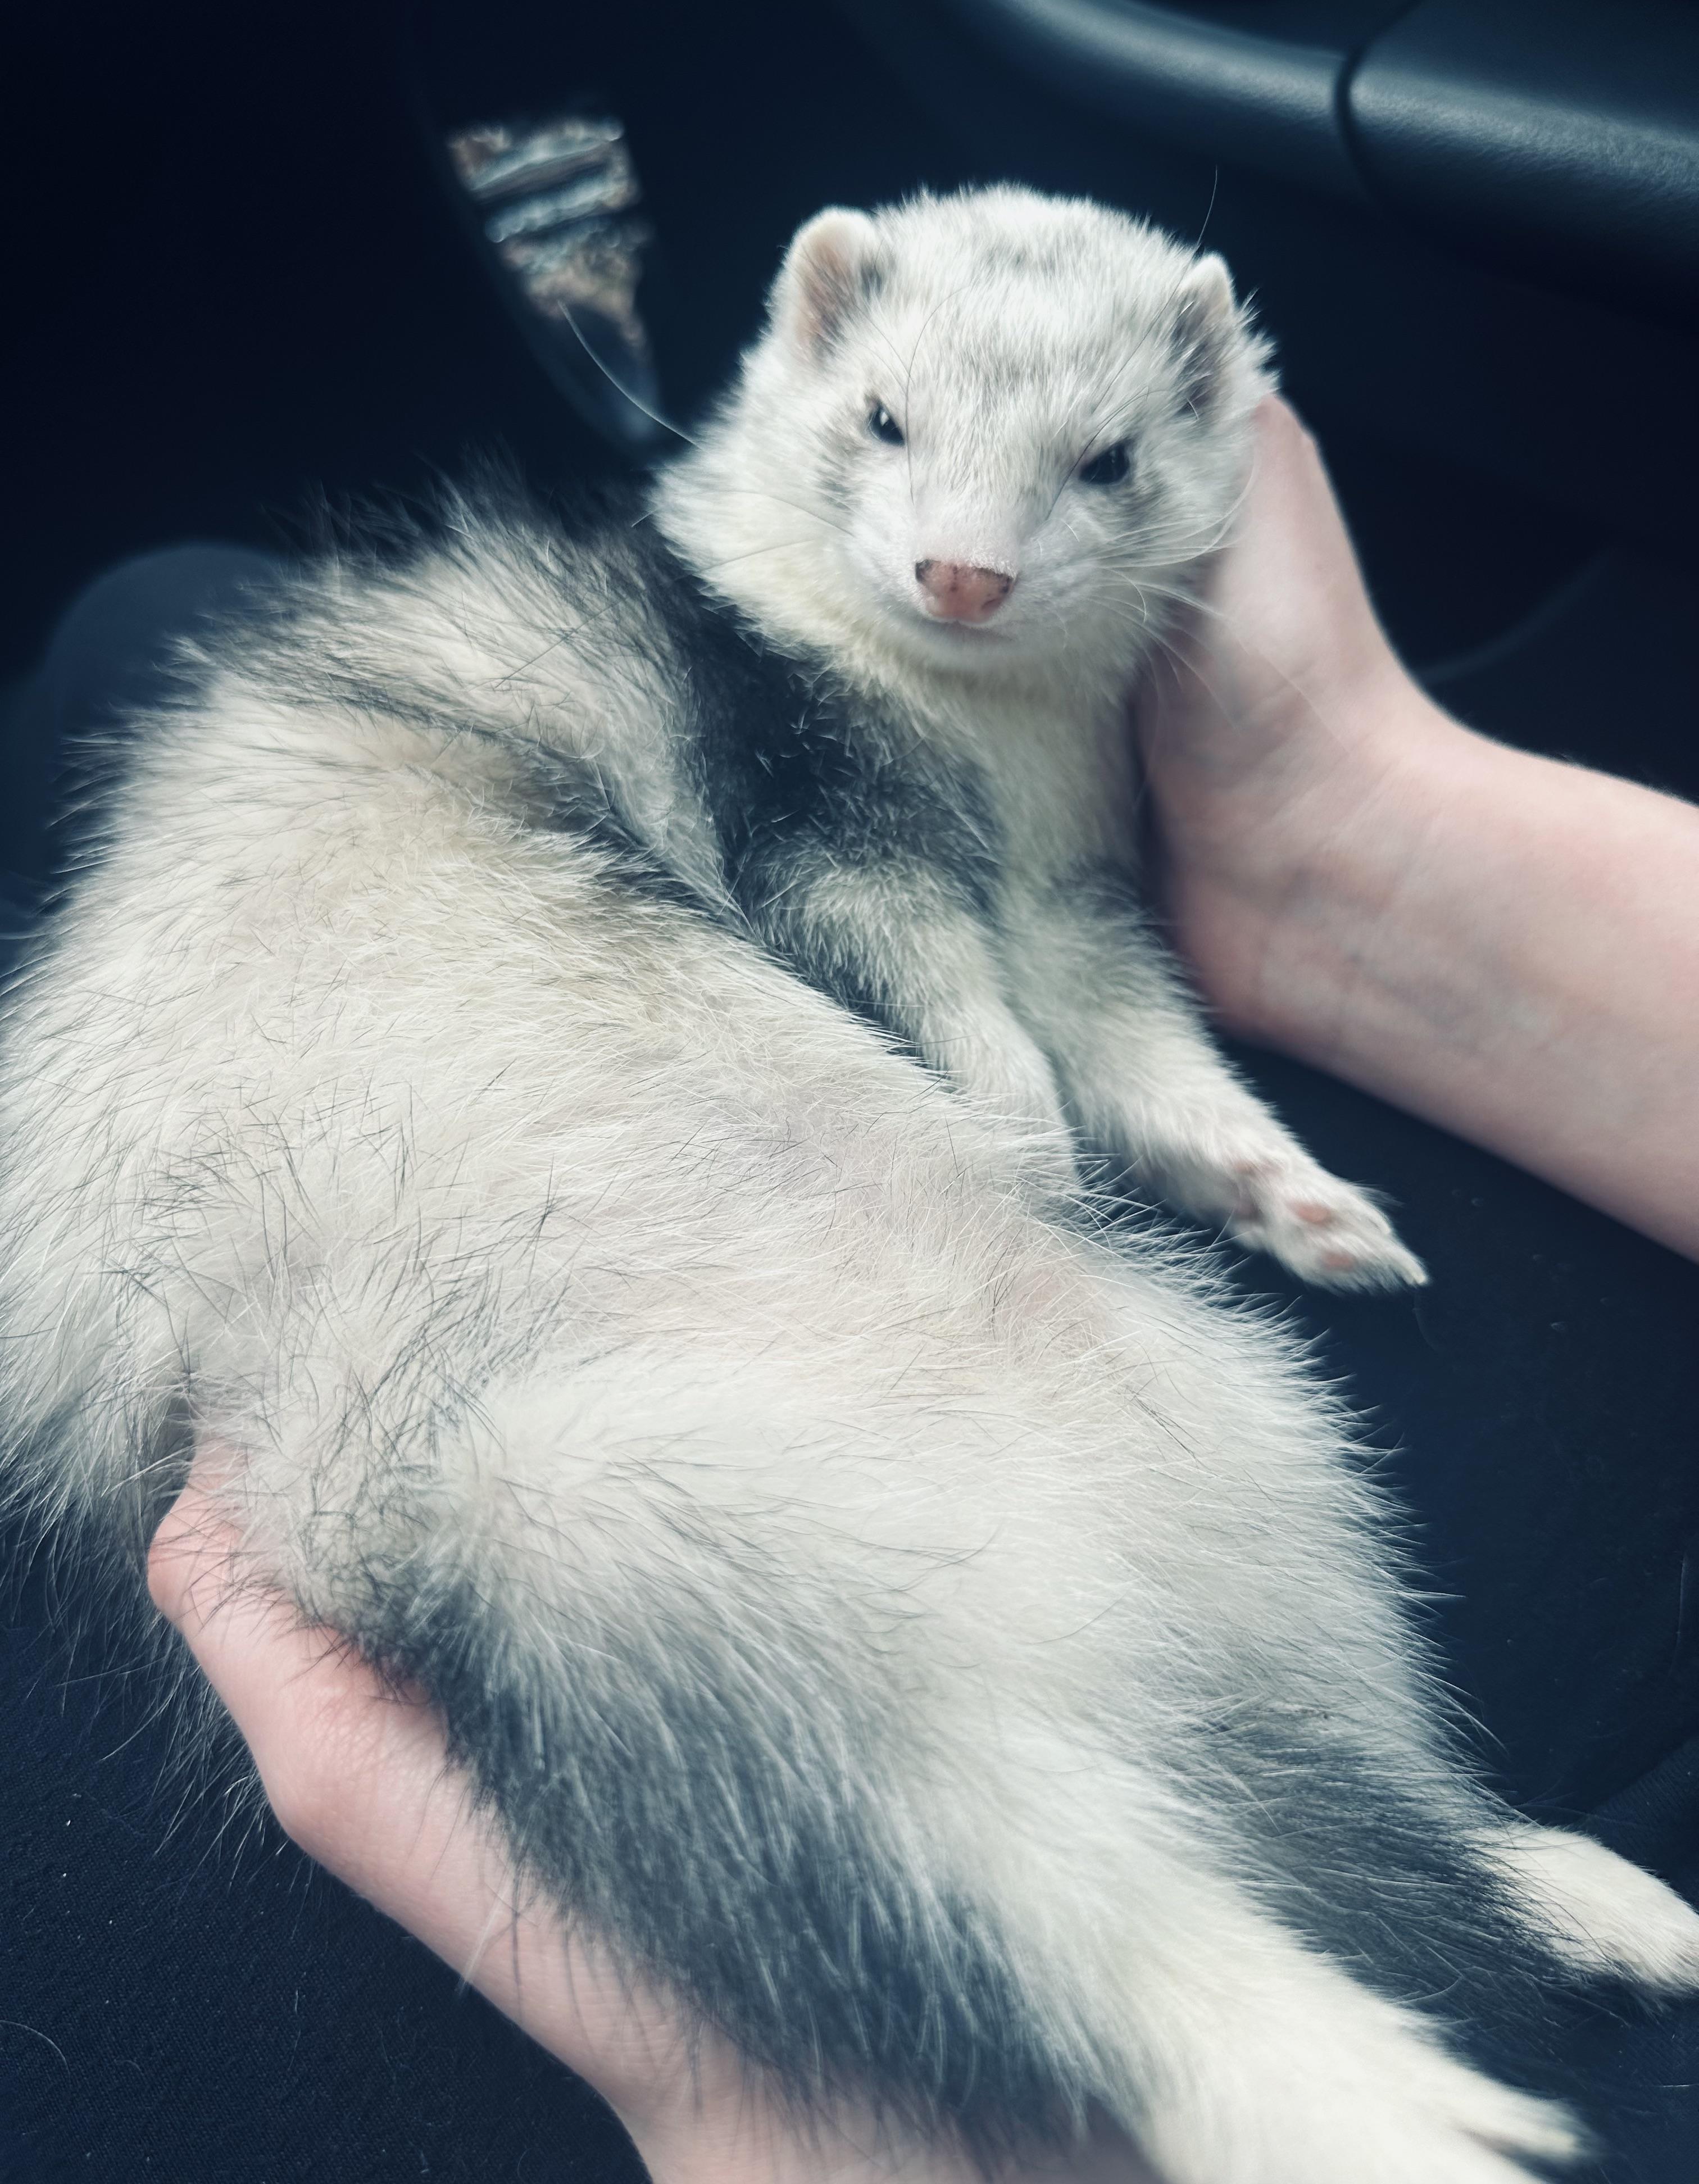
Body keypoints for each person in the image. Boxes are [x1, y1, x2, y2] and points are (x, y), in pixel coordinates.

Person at [27, 397, 1699, 2180]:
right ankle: (1266, 1969)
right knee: (639, 1518)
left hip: (549, 1319)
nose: (970, 552)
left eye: (1090, 467)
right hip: (476, 1179)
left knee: (152, 609)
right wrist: (1341, 800)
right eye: (904, 433)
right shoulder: (763, 643)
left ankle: (1262, 1979)